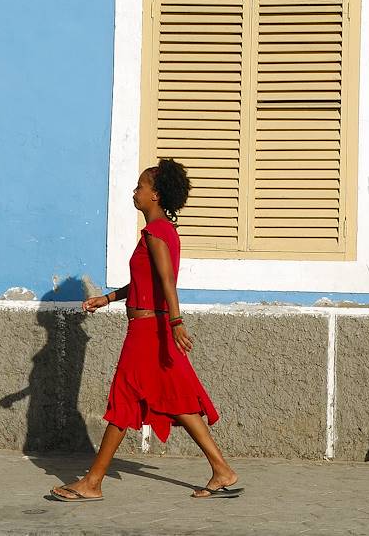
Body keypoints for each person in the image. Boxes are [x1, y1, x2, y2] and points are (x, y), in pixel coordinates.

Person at [51, 159, 241, 502]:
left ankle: (93, 482)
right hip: (151, 327)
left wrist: (176, 321)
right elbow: (145, 280)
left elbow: (167, 280)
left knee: (124, 397)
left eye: (140, 187)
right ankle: (221, 469)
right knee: (177, 399)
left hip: (149, 331)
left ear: (155, 195)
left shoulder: (155, 233)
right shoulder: (163, 231)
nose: (134, 192)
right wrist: (108, 298)